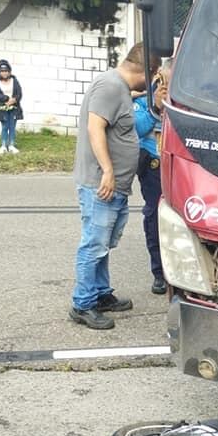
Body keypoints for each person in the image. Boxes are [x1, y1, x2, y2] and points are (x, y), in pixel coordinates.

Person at [70, 43, 160, 330]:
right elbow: (95, 127)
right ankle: (82, 304)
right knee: (94, 244)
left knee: (103, 245)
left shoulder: (120, 87)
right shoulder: (110, 86)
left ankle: (100, 294)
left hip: (116, 184)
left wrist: (153, 93)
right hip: (102, 183)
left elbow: (128, 102)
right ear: (147, 69)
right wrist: (108, 171)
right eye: (154, 75)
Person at [133, 68, 169, 294]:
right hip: (154, 165)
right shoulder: (142, 97)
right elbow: (135, 128)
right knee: (155, 218)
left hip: (185, 164)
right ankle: (160, 273)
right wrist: (156, 107)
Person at [0, 60, 23, 154]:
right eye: (2, 71)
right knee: (5, 126)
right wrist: (7, 99)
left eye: (6, 71)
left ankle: (12, 145)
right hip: (3, 108)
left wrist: (14, 100)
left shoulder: (14, 80)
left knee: (12, 126)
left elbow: (19, 92)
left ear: (9, 71)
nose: (4, 73)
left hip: (14, 107)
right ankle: (3, 146)